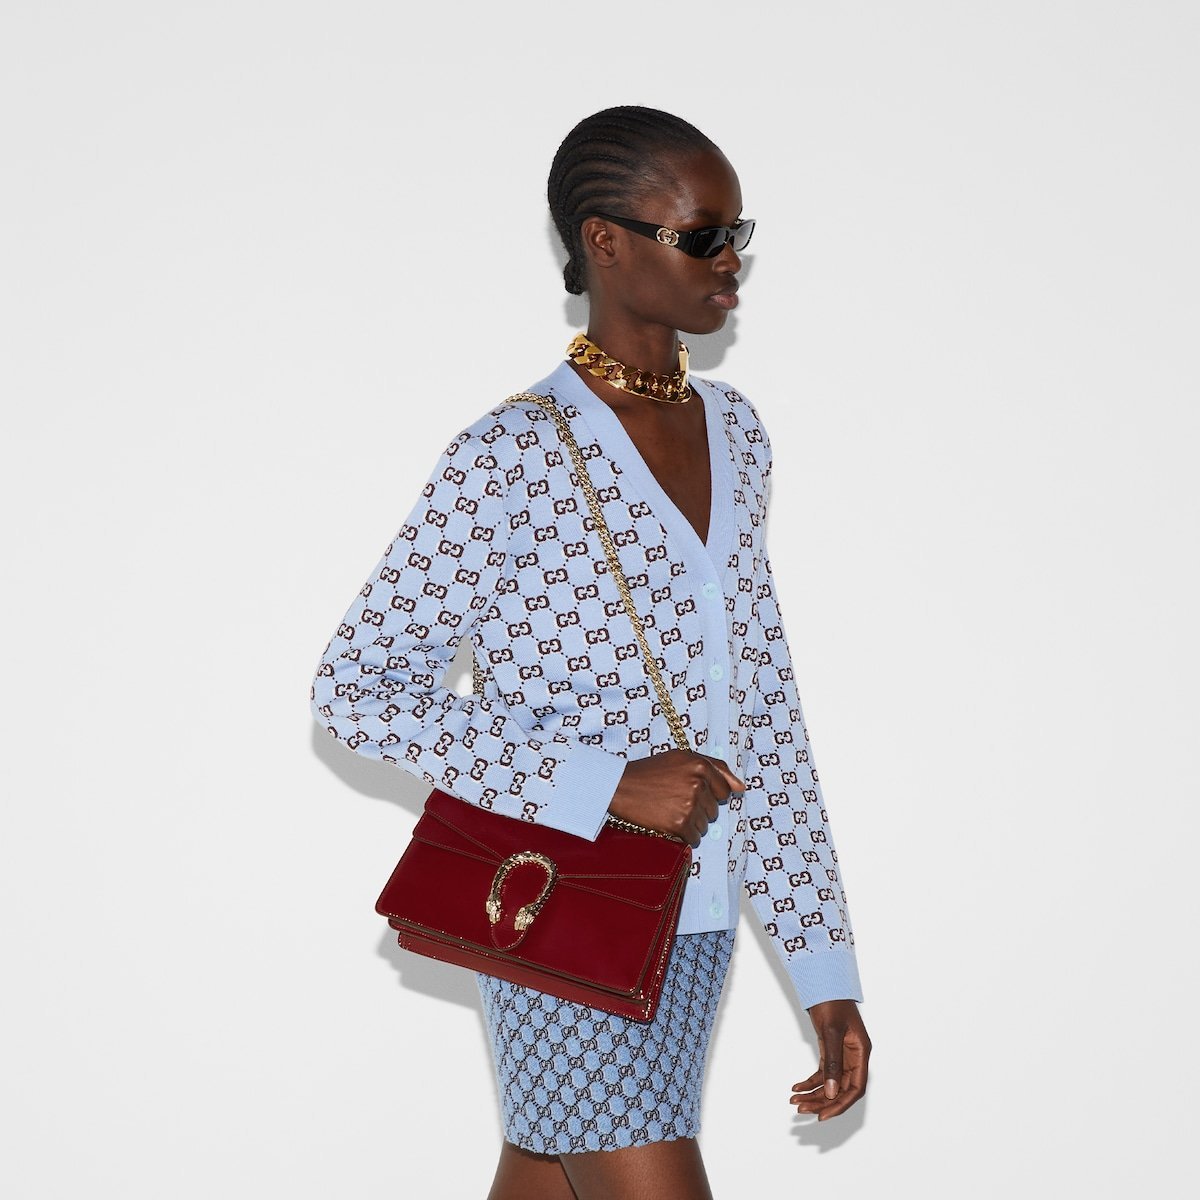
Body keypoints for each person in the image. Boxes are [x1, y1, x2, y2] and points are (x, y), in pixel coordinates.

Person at [311, 105, 871, 1200]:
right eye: (699, 236)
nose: (730, 260)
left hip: (696, 919)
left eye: (737, 234)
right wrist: (605, 783)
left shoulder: (738, 432)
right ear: (605, 243)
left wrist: (822, 965)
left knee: (548, 1176)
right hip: (560, 908)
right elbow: (358, 690)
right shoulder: (510, 453)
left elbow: (764, 712)